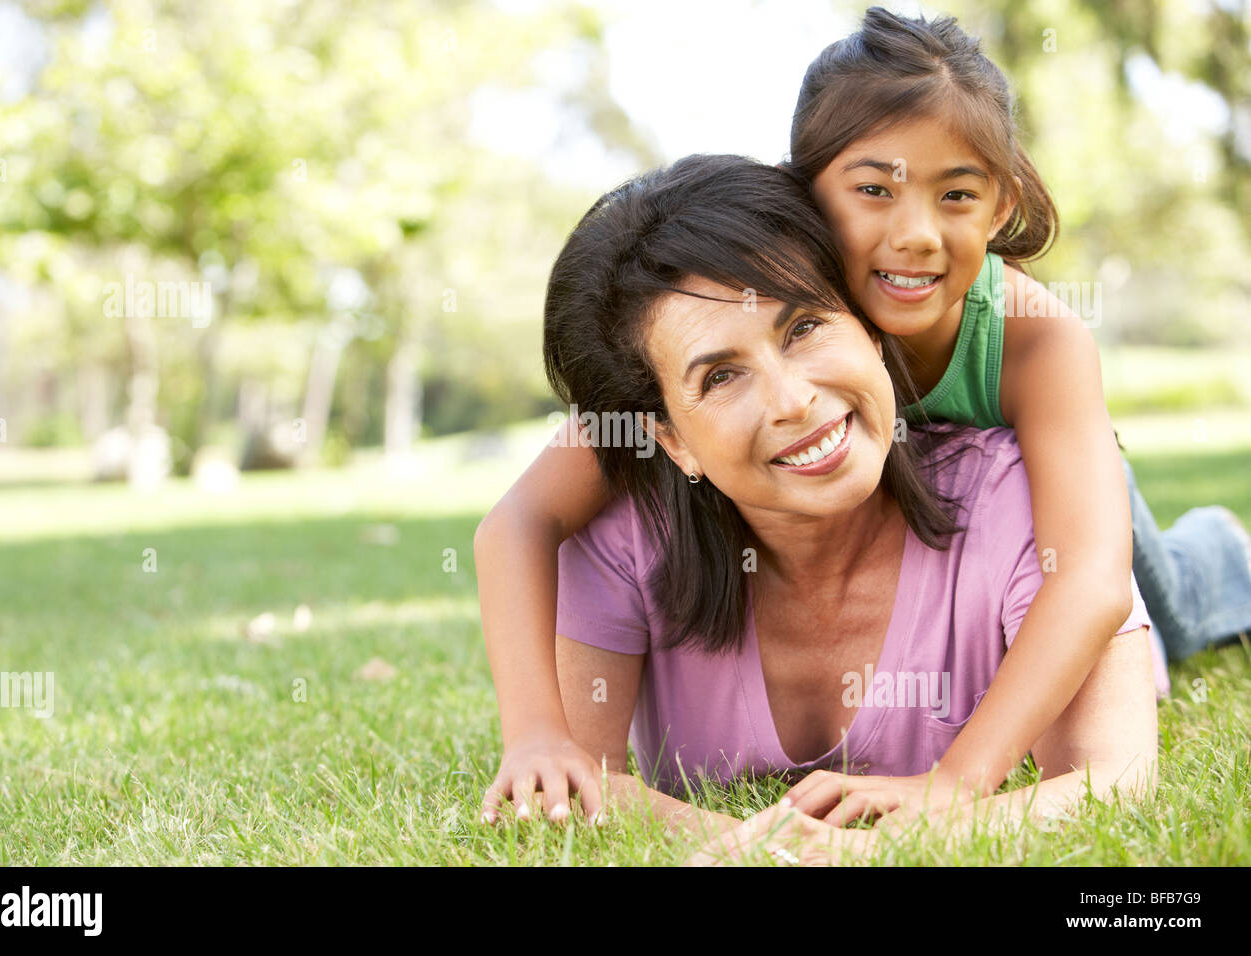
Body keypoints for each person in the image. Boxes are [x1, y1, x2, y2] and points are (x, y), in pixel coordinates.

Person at [474, 6, 1250, 831]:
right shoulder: (739, 310)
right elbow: (519, 519)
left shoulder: (1036, 340)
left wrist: (959, 782)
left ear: (998, 207)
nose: (912, 236)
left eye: (956, 193)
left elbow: (1090, 583)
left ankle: (1222, 561)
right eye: (875, 189)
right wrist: (535, 734)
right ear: (807, 194)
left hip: (1078, 508)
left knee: (1169, 593)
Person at [539, 153, 1161, 864]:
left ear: (869, 327)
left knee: (1179, 578)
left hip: (1109, 565)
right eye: (722, 375)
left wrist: (879, 849)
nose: (793, 399)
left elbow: (1112, 776)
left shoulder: (1024, 506)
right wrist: (756, 846)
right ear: (673, 439)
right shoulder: (617, 541)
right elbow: (577, 779)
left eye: (804, 327)